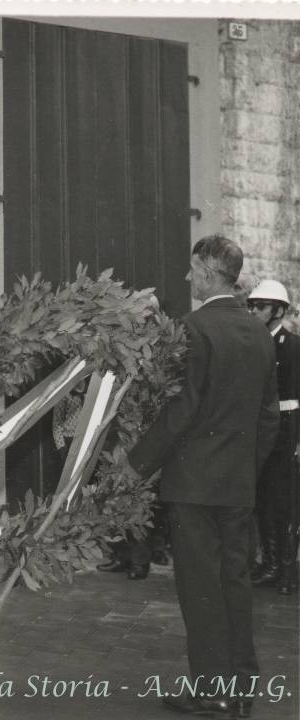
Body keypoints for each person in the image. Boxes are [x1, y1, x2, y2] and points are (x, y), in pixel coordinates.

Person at [128, 235, 279, 718]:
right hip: (237, 484)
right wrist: (246, 470)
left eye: (194, 269)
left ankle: (212, 688)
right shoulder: (259, 332)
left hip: (193, 484)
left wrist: (135, 463)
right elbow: (269, 416)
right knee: (234, 583)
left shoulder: (192, 329)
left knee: (199, 587)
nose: (189, 277)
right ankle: (241, 685)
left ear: (211, 273)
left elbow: (181, 410)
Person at [247, 279, 299, 595]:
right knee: (263, 501)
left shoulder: (292, 346)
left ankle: (287, 570)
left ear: (279, 310)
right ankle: (269, 563)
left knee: (285, 504)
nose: (253, 311)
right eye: (251, 306)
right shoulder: (253, 342)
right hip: (259, 432)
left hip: (286, 432)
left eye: (261, 306)